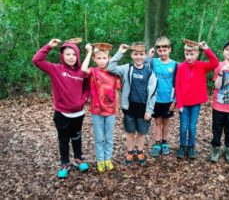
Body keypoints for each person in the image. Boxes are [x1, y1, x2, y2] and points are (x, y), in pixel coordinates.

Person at [32, 38, 90, 179]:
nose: (71, 57)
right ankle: (65, 163)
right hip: (62, 114)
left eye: (74, 54)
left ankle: (78, 159)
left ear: (78, 56)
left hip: (78, 113)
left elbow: (87, 87)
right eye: (68, 54)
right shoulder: (56, 69)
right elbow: (37, 60)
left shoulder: (82, 71)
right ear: (62, 56)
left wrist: (83, 99)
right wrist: (49, 46)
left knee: (77, 137)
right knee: (63, 140)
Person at [107, 42, 157, 166]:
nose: (138, 57)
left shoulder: (149, 73)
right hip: (129, 107)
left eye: (141, 54)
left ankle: (139, 151)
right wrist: (120, 52)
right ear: (131, 55)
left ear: (145, 55)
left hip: (143, 109)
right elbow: (111, 67)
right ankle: (130, 152)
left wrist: (149, 110)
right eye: (135, 54)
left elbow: (153, 93)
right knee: (129, 132)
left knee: (141, 132)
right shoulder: (126, 68)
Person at [81, 43, 121, 173]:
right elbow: (82, 69)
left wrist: (117, 109)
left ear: (109, 58)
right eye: (99, 58)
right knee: (99, 138)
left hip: (110, 111)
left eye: (104, 58)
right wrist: (89, 52)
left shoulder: (113, 73)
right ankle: (100, 160)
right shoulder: (92, 71)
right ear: (94, 59)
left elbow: (116, 92)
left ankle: (108, 159)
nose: (102, 61)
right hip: (97, 110)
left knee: (109, 138)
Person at [175, 39, 218, 159]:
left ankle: (191, 146)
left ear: (197, 53)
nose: (189, 56)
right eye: (187, 54)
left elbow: (215, 63)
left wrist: (206, 48)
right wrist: (179, 103)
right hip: (183, 103)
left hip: (195, 104)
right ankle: (183, 146)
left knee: (192, 127)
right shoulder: (181, 67)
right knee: (183, 127)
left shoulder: (201, 66)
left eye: (191, 54)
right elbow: (178, 85)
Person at [147, 36, 177, 157]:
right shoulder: (153, 62)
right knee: (157, 121)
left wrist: (174, 101)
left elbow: (177, 84)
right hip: (155, 99)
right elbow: (142, 65)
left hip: (168, 99)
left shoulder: (175, 65)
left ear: (169, 49)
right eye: (159, 48)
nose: (162, 51)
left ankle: (165, 142)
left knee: (166, 121)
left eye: (165, 48)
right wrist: (149, 55)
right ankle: (157, 143)